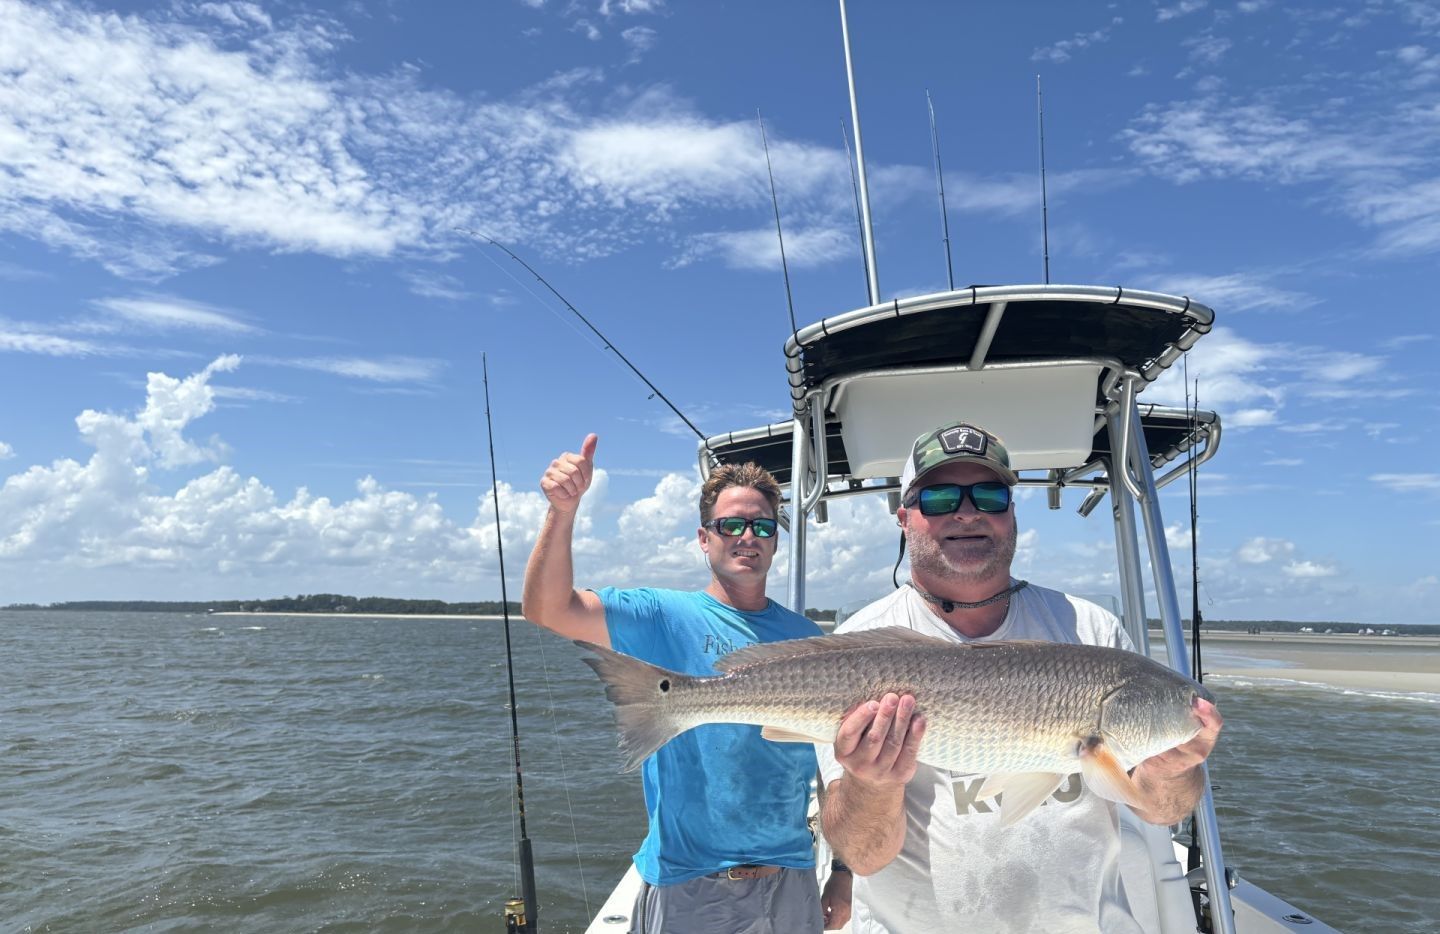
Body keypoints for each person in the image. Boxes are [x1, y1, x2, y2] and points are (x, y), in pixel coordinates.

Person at [816, 420, 1223, 934]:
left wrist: (1173, 767)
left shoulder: (1093, 629)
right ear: (904, 517)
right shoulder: (855, 648)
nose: (967, 511)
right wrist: (870, 782)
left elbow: (1163, 810)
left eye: (989, 495)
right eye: (940, 497)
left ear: (1011, 514)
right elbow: (863, 856)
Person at [522, 433, 833, 934]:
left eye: (762, 525)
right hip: (689, 885)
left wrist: (839, 871)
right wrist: (562, 511)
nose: (747, 536)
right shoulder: (661, 614)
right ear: (704, 537)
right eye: (730, 525)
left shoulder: (806, 636)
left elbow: (830, 761)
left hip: (793, 880)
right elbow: (548, 609)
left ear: (776, 539)